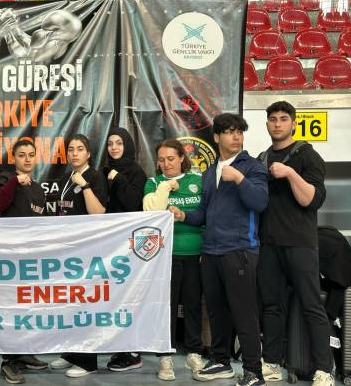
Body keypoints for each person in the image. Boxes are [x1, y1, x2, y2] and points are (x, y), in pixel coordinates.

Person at [170, 113, 268, 386]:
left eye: (239, 132)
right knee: (216, 311)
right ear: (216, 137)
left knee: (244, 313)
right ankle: (221, 361)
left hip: (239, 250)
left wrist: (239, 178)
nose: (236, 137)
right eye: (229, 132)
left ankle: (254, 372)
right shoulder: (209, 171)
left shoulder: (252, 167)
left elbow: (260, 202)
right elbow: (204, 212)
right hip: (211, 251)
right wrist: (183, 215)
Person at [258, 101, 334, 386]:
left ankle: (324, 370)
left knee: (311, 306)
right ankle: (272, 363)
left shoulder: (308, 155)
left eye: (283, 119)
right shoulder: (262, 157)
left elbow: (310, 200)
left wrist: (290, 173)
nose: (277, 124)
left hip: (300, 243)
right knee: (271, 307)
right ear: (267, 124)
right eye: (273, 119)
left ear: (293, 123)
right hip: (269, 243)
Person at [143, 138, 205, 381]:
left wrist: (183, 216)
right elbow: (151, 213)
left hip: (195, 253)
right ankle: (165, 355)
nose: (166, 163)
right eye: (161, 160)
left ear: (181, 158)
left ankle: (194, 353)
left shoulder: (197, 181)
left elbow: (205, 214)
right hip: (164, 255)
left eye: (171, 158)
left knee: (192, 305)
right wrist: (166, 187)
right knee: (166, 307)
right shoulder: (153, 183)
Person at [0, 139, 49, 384]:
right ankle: (8, 361)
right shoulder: (6, 178)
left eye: (31, 154)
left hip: (30, 259)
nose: (27, 159)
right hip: (8, 258)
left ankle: (23, 353)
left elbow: (41, 226)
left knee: (27, 309)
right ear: (14, 158)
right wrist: (15, 181)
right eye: (22, 155)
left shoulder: (39, 190)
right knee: (10, 310)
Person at [50, 134, 108, 378]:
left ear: (89, 153)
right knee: (69, 303)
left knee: (85, 304)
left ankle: (88, 361)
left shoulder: (94, 176)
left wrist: (84, 186)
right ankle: (71, 353)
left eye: (80, 149)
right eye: (71, 149)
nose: (75, 153)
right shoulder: (67, 177)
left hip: (88, 249)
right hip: (69, 249)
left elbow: (98, 212)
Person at [102, 127, 147, 372]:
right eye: (110, 143)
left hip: (130, 245)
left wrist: (118, 179)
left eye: (119, 143)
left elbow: (133, 202)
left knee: (130, 296)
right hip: (110, 244)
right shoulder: (105, 170)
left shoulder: (136, 171)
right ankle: (121, 347)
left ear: (127, 145)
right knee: (114, 297)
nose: (114, 148)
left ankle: (133, 352)